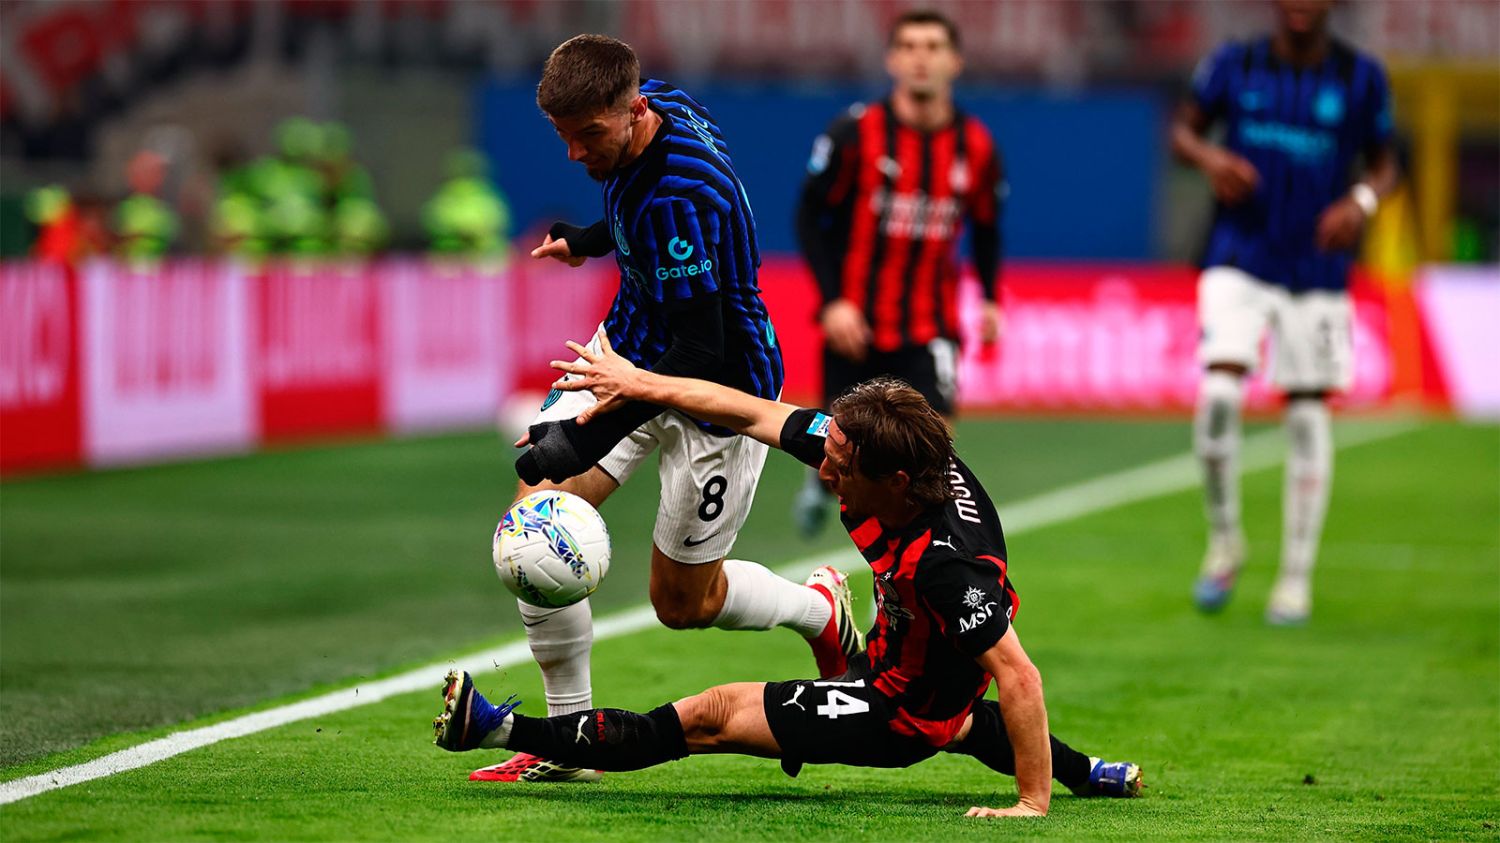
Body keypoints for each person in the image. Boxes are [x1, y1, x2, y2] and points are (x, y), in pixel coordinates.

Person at [433, 332, 1143, 817]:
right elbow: (747, 411)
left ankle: (496, 729)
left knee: (710, 716)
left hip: (894, 712)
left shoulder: (945, 566)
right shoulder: (878, 450)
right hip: (901, 661)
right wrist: (642, 386)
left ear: (894, 484)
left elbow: (1020, 678)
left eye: (840, 466)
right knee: (964, 720)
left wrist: (1031, 803)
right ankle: (1092, 773)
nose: (824, 469)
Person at [480, 34, 863, 783]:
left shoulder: (681, 193)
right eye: (563, 136)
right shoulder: (662, 108)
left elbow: (698, 351)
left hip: (720, 394)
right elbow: (638, 222)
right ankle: (569, 744)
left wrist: (581, 441)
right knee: (534, 517)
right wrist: (588, 239)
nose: (574, 153)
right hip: (628, 347)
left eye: (587, 135)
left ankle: (818, 608)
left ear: (631, 111)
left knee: (682, 603)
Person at [1172, 0, 1399, 624]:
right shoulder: (1234, 64)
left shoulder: (1360, 76)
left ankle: (1295, 577)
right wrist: (1212, 159)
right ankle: (1226, 539)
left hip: (1317, 265)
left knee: (1306, 415)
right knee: (1219, 395)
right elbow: (1183, 131)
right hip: (1238, 253)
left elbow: (1387, 162)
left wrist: (1360, 201)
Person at [792, 9, 1005, 537]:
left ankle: (910, 577)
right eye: (909, 47)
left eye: (933, 47)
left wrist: (990, 298)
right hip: (856, 325)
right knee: (843, 458)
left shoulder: (976, 145)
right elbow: (809, 216)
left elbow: (986, 226)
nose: (920, 58)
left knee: (933, 456)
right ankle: (818, 484)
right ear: (892, 60)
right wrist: (833, 302)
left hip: (930, 326)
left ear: (955, 61)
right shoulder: (856, 133)